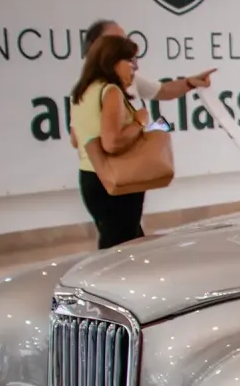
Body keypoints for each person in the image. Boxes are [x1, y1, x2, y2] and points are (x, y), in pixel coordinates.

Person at [71, 20, 214, 151]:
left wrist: (189, 83)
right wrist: (137, 124)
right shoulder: (100, 90)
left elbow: (163, 90)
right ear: (97, 47)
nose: (124, 46)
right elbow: (101, 141)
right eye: (116, 41)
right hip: (112, 168)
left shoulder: (126, 79)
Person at [70, 35, 151, 249]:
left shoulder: (82, 92)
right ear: (112, 61)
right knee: (123, 248)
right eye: (130, 60)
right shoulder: (111, 91)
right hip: (116, 179)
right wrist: (139, 122)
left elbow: (75, 140)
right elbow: (112, 143)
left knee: (118, 239)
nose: (135, 67)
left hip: (90, 177)